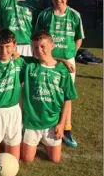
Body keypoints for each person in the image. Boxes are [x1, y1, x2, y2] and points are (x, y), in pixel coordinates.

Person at [34, 0, 85, 147]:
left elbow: (78, 39)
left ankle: (67, 129)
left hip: (67, 62)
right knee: (46, 93)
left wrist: (70, 56)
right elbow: (38, 38)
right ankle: (44, 128)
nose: (59, 0)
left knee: (66, 96)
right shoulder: (45, 15)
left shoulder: (74, 15)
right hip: (47, 59)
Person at [20, 31, 78, 163]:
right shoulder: (29, 65)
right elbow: (10, 54)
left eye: (42, 46)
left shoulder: (62, 70)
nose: (39, 50)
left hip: (52, 122)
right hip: (32, 122)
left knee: (55, 159)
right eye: (35, 47)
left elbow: (67, 99)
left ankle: (47, 142)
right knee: (27, 159)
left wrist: (62, 124)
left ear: (52, 45)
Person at [0, 29, 31, 163]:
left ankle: (5, 142)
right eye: (0, 47)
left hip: (13, 112)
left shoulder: (20, 62)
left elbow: (44, 60)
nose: (4, 50)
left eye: (8, 46)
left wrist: (64, 61)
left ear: (15, 46)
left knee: (14, 160)